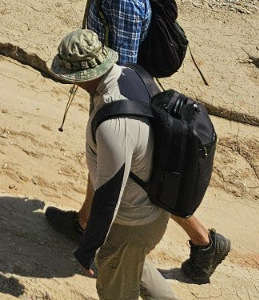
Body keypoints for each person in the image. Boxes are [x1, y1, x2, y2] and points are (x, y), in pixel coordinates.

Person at [45, 0, 229, 285]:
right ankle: (83, 221)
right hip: (114, 90)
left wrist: (108, 107)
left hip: (125, 95)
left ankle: (205, 242)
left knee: (147, 180)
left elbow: (124, 64)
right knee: (110, 161)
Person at [47, 28, 176, 300]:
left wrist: (87, 248)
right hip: (152, 211)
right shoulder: (132, 73)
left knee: (115, 289)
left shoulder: (113, 124)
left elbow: (108, 197)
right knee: (134, 265)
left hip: (131, 222)